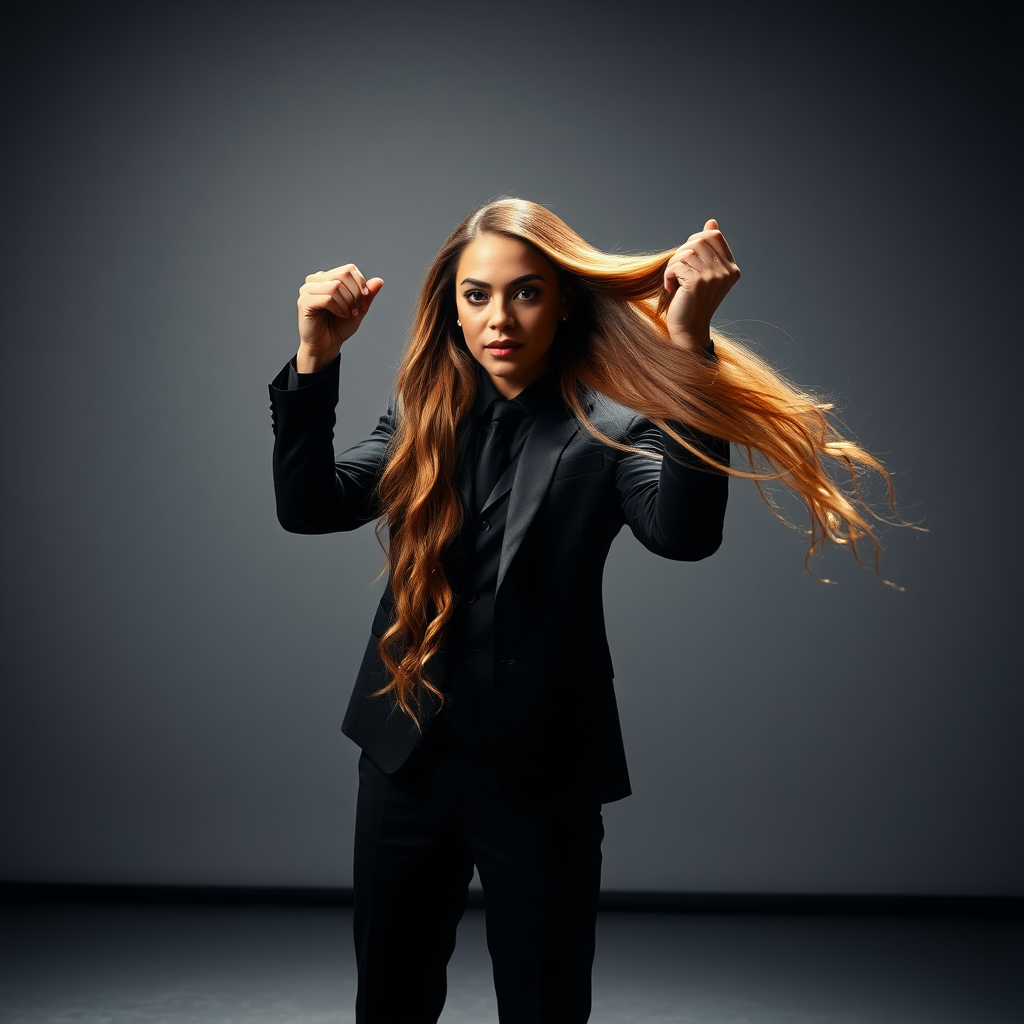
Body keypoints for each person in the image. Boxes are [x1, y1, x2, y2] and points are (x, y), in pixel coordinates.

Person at [269, 198, 893, 1023]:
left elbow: (683, 535)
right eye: (477, 295)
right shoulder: (422, 412)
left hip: (543, 775)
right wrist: (315, 358)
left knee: (546, 1008)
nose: (500, 318)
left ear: (562, 301)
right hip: (405, 761)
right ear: (451, 307)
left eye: (525, 293)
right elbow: (310, 506)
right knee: (388, 1003)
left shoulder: (615, 424)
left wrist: (688, 345)